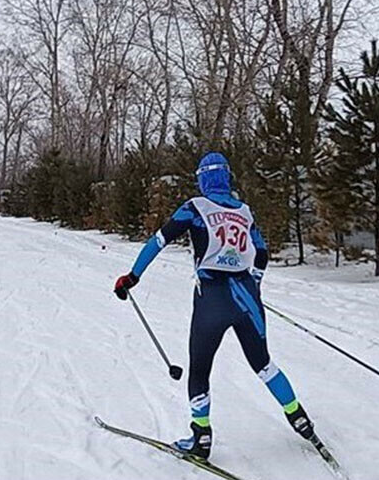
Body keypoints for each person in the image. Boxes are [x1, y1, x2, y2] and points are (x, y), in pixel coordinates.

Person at [113, 152, 316, 460]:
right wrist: (255, 285)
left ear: (203, 178)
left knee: (200, 370)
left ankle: (201, 436)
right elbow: (261, 253)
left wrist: (132, 277)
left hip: (212, 297)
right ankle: (299, 417)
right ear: (227, 177)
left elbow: (158, 240)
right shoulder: (245, 212)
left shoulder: (195, 207)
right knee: (263, 364)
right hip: (246, 295)